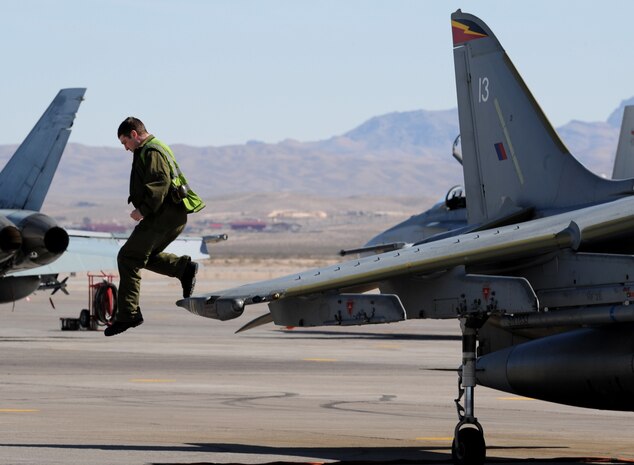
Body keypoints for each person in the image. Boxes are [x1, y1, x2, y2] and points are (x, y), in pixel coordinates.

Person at [105, 117, 205, 337]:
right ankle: (182, 269)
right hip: (169, 215)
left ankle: (128, 315)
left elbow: (159, 185)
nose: (125, 148)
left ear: (134, 134)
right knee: (140, 256)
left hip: (164, 215)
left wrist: (142, 210)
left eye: (125, 142)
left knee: (128, 258)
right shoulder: (153, 148)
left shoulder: (152, 151)